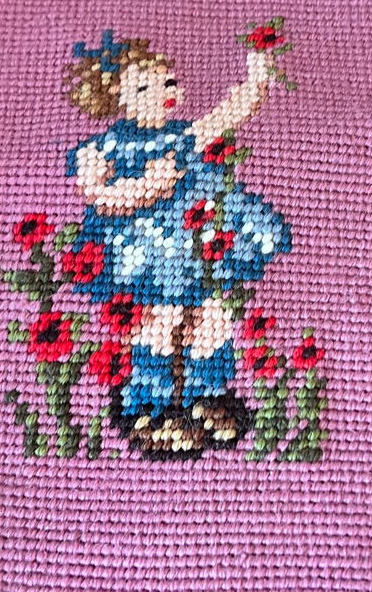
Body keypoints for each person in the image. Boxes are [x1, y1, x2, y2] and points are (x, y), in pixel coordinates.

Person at [64, 29, 290, 456]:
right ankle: (148, 410)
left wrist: (257, 77)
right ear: (116, 98)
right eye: (144, 87)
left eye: (167, 82)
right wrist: (145, 186)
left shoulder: (182, 137)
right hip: (143, 251)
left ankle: (206, 399)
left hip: (196, 248)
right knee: (161, 321)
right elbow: (98, 192)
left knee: (211, 316)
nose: (163, 92)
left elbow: (227, 115)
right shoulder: (102, 148)